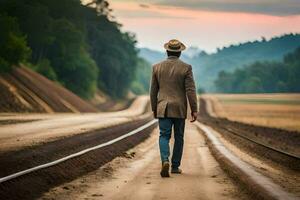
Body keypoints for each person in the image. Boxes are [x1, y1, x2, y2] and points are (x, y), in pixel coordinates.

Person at [150, 39, 198, 177]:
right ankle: (175, 167)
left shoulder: (156, 67)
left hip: (163, 108)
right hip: (179, 108)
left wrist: (154, 108)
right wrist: (194, 109)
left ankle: (165, 160)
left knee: (164, 136)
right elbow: (190, 90)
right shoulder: (186, 68)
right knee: (179, 137)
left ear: (167, 51)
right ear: (180, 53)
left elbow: (153, 91)